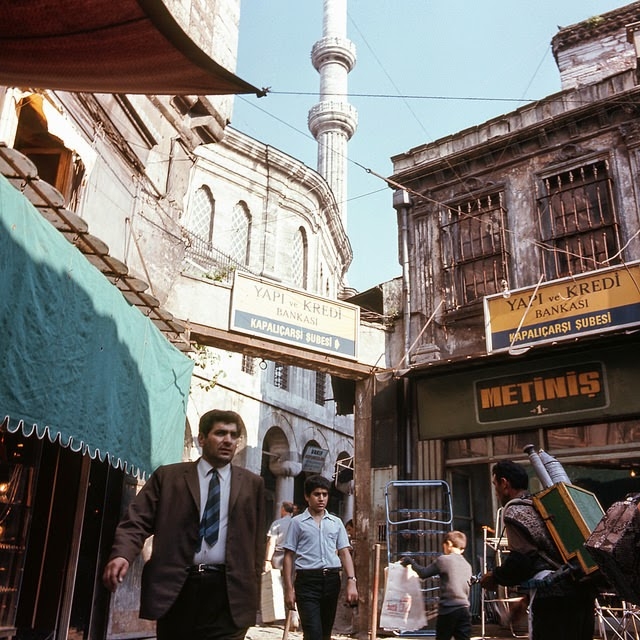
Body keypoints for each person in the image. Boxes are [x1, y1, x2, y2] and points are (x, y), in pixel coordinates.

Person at [102, 409, 265, 640]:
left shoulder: (252, 484)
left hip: (229, 594)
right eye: (220, 433)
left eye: (233, 435)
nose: (228, 440)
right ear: (202, 439)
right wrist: (122, 554)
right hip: (178, 589)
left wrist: (253, 584)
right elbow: (136, 520)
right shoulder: (169, 478)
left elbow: (257, 542)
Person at [480, 460, 596, 640]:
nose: (495, 492)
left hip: (554, 603)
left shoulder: (515, 510)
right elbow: (550, 557)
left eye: (495, 485)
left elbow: (522, 559)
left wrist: (495, 577)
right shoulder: (540, 505)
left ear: (504, 483)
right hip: (582, 594)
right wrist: (526, 599)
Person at [282, 474, 358, 640]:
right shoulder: (297, 523)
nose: (321, 498)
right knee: (313, 633)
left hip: (331, 580)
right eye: (317, 494)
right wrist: (288, 589)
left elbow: (344, 552)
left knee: (325, 634)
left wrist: (351, 581)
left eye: (325, 494)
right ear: (307, 496)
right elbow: (288, 556)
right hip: (307, 582)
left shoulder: (336, 522)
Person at [401, 530, 472, 640]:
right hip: (464, 609)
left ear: (448, 544)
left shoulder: (444, 560)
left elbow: (423, 573)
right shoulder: (467, 565)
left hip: (448, 610)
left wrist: (410, 562)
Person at [264, 500, 295, 571]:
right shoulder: (296, 524)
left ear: (283, 509)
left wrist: (268, 560)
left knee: (277, 581)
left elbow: (271, 543)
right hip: (292, 557)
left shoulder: (276, 524)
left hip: (278, 556)